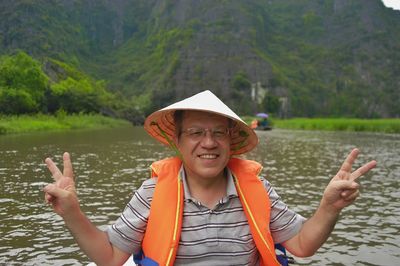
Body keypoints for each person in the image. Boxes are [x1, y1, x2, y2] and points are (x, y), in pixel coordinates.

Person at [43, 90, 377, 266]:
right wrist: (71, 211)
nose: (208, 142)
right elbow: (111, 257)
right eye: (196, 132)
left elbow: (302, 245)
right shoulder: (152, 193)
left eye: (219, 132)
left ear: (231, 141)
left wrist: (329, 208)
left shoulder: (256, 189)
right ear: (178, 140)